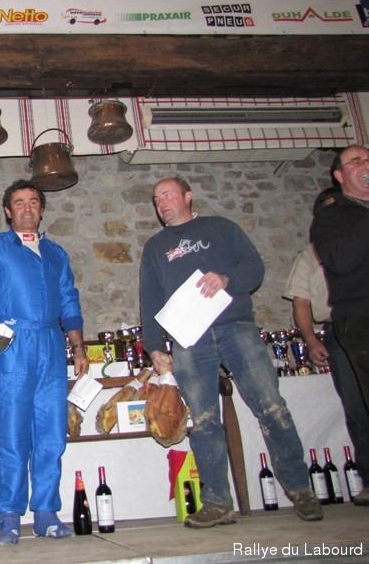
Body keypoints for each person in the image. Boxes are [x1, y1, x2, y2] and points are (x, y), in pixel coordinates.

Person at [139, 176, 322, 528]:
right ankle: (218, 502)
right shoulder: (155, 247)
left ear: (188, 196)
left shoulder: (221, 228)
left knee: (271, 406)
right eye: (156, 199)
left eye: (168, 195)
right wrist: (153, 347)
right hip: (189, 339)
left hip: (236, 327)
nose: (162, 203)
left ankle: (301, 489)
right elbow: (149, 300)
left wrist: (226, 279)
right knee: (204, 420)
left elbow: (255, 269)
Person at [0, 179, 89, 546]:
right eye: (19, 202)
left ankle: (46, 513)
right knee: (12, 433)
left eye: (33, 202)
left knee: (51, 433)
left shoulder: (56, 254)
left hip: (50, 345)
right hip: (11, 345)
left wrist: (78, 348)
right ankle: (9, 515)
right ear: (7, 210)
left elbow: (69, 301)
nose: (27, 208)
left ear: (41, 209)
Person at [284, 186, 369, 498]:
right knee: (356, 405)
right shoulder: (310, 254)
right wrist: (310, 340)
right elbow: (301, 301)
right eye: (331, 210)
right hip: (338, 328)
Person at [310, 144, 369, 506]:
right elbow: (341, 261)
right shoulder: (331, 218)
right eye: (356, 161)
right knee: (359, 405)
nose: (365, 164)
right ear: (340, 175)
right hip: (361, 316)